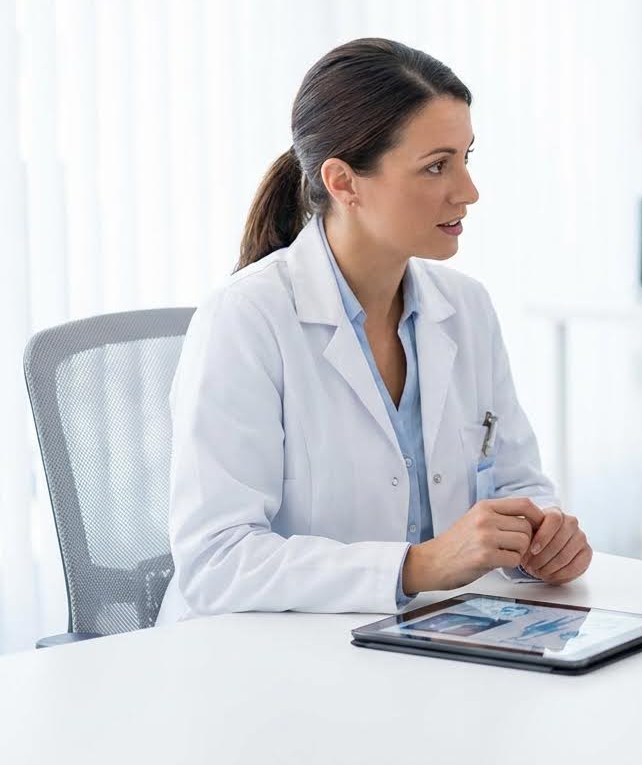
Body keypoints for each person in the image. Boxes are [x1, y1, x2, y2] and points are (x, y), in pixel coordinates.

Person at [158, 38, 590, 623]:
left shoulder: (465, 308)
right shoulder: (247, 319)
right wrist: (416, 566)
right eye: (437, 166)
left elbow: (518, 483)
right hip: (263, 665)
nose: (468, 190)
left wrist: (540, 540)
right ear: (344, 183)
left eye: (467, 157)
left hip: (423, 641)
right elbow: (216, 560)